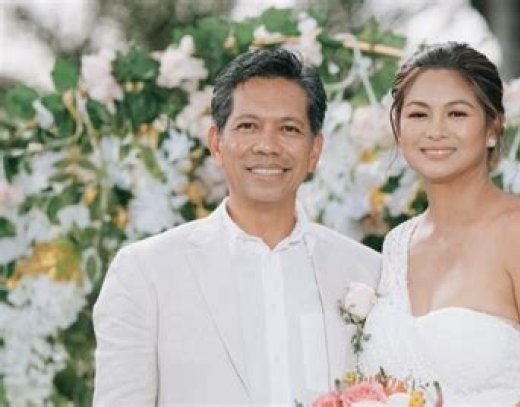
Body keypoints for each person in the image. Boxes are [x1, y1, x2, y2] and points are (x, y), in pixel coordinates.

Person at [93, 48, 381, 406]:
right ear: (217, 144)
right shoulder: (145, 272)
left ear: (314, 151)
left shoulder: (368, 272)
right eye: (248, 126)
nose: (268, 145)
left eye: (289, 129)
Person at [359, 42, 520, 405]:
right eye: (419, 115)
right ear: (399, 128)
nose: (435, 130)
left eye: (456, 114)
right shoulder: (396, 245)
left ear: (493, 128)